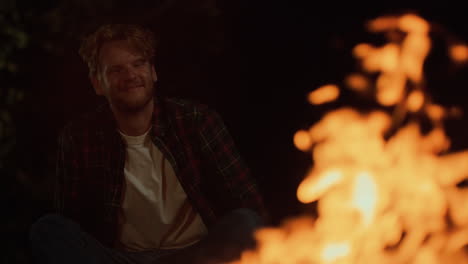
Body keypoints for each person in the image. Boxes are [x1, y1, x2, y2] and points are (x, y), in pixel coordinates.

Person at [29, 23, 267, 264]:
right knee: (48, 229)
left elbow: (247, 199)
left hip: (199, 254)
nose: (130, 75)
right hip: (126, 260)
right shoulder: (79, 138)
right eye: (116, 70)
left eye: (138, 64)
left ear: (153, 71)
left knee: (246, 220)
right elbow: (73, 224)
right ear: (97, 83)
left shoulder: (195, 121)